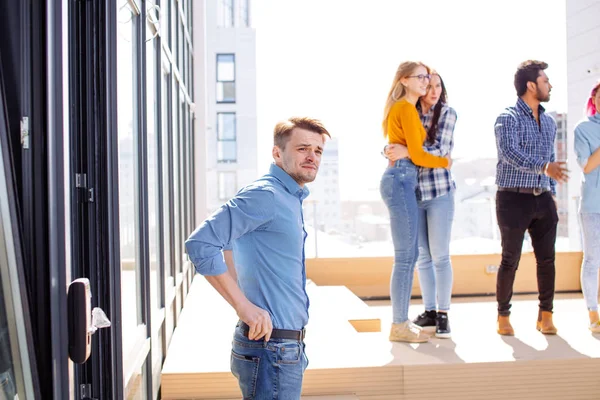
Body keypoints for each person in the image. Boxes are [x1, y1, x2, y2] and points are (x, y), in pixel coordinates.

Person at [185, 117, 330, 398]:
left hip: (283, 347)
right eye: (302, 149)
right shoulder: (265, 195)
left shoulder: (290, 197)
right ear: (278, 153)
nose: (312, 156)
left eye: (318, 150)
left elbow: (229, 245)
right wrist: (244, 307)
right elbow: (201, 243)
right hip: (271, 349)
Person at [494, 60, 569, 336]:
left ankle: (545, 315)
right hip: (513, 200)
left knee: (547, 259)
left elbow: (550, 161)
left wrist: (551, 192)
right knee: (510, 259)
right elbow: (509, 154)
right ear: (531, 85)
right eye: (545, 80)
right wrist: (543, 167)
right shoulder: (507, 118)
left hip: (543, 198)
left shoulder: (549, 122)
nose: (549, 85)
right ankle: (503, 316)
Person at [380, 61, 451, 343]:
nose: (425, 81)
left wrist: (405, 151)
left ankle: (401, 322)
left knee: (408, 257)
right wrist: (446, 161)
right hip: (400, 178)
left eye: (428, 78)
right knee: (406, 257)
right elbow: (420, 156)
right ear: (405, 80)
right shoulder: (405, 108)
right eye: (421, 77)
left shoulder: (404, 109)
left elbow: (405, 148)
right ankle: (399, 324)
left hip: (402, 178)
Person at [574, 80, 600, 333]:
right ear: (594, 100)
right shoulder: (583, 128)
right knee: (592, 259)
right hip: (593, 204)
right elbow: (587, 165)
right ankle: (593, 312)